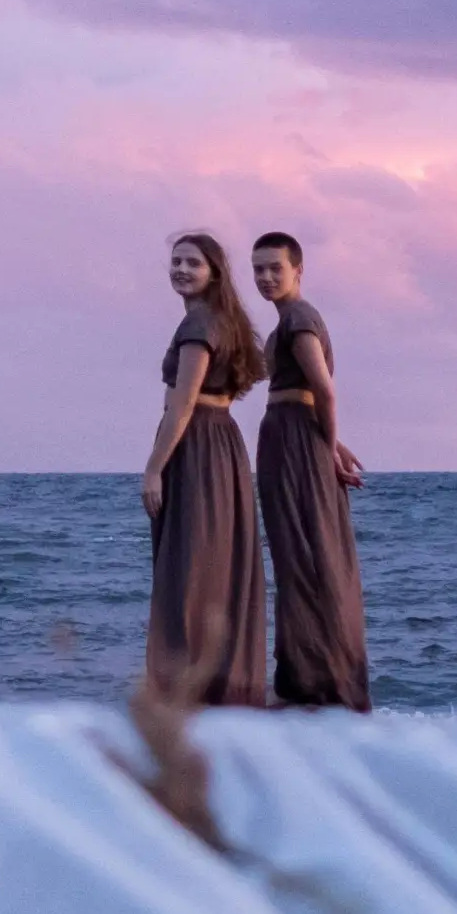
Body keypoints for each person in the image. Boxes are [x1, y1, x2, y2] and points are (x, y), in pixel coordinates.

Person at [139, 230, 268, 709]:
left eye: (192, 262)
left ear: (213, 272)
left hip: (196, 445)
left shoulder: (199, 327)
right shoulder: (222, 322)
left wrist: (154, 468)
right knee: (215, 566)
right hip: (222, 446)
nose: (181, 269)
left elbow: (184, 404)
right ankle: (221, 684)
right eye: (176, 261)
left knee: (188, 569)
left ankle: (185, 693)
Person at [248, 231, 370, 712]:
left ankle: (313, 682)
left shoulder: (298, 319)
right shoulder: (288, 323)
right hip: (292, 434)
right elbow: (312, 396)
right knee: (302, 555)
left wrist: (325, 447)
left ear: (298, 270)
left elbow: (325, 390)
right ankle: (307, 678)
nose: (265, 277)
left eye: (275, 268)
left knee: (305, 558)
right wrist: (332, 442)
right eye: (258, 269)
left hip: (294, 441)